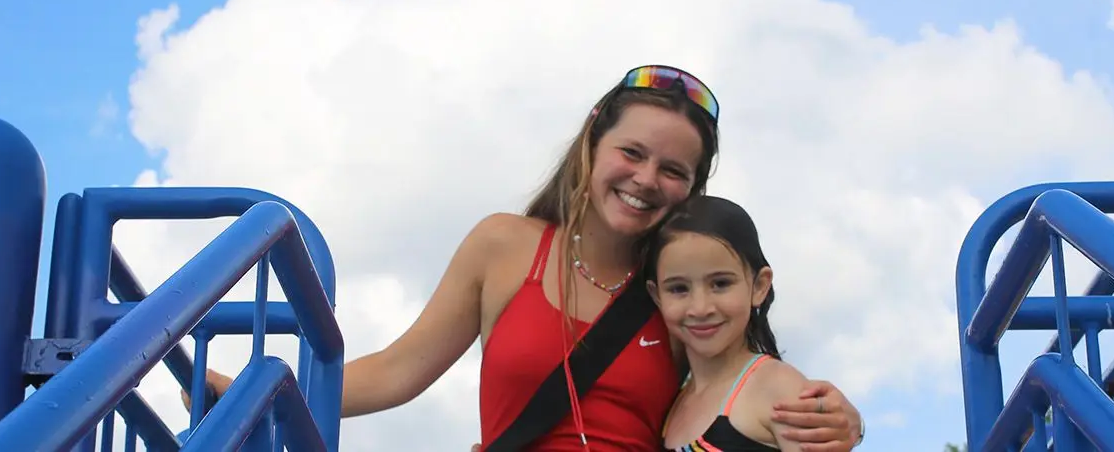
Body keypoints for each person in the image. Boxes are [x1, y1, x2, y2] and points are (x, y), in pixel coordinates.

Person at [187, 65, 865, 451]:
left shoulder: (679, 290)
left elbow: (743, 378)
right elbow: (398, 371)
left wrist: (838, 418)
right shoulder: (504, 246)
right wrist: (253, 387)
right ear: (593, 141)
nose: (645, 178)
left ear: (692, 189)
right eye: (632, 152)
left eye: (673, 170)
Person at [646, 195, 808, 452]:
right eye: (678, 288)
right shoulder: (672, 402)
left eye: (720, 284)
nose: (700, 308)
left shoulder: (779, 390)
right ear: (657, 296)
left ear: (759, 285)